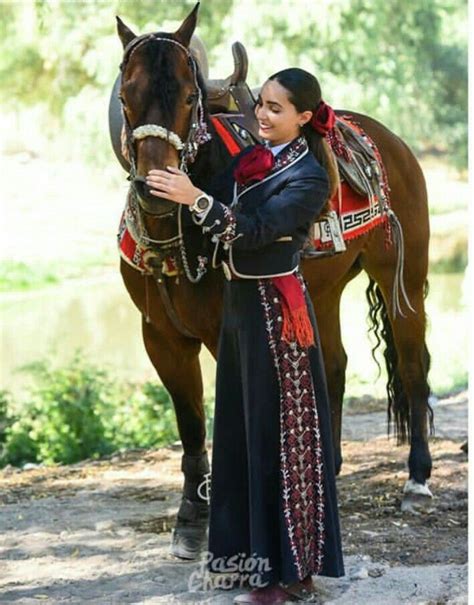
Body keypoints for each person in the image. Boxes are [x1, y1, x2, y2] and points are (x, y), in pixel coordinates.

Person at [145, 67, 345, 604]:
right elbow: (210, 195)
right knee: (239, 436)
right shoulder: (254, 160)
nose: (262, 113)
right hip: (239, 310)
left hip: (277, 315)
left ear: (304, 118)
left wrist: (195, 198)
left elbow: (247, 230)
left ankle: (288, 576)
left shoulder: (310, 179)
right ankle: (251, 567)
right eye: (261, 103)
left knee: (280, 442)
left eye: (276, 109)